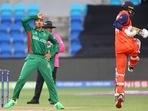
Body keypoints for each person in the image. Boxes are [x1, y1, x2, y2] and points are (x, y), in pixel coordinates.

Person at [4, 13, 64, 110]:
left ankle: (56, 102)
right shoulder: (30, 31)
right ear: (35, 22)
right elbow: (23, 20)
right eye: (37, 21)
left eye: (40, 21)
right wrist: (35, 16)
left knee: (50, 81)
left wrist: (51, 54)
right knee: (22, 78)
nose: (39, 22)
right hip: (32, 57)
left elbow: (56, 44)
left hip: (43, 59)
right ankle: (13, 100)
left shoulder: (47, 34)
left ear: (42, 23)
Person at [113, 1, 148, 109]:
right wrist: (127, 31)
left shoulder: (121, 15)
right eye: (131, 9)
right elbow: (117, 24)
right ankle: (132, 64)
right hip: (128, 45)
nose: (131, 12)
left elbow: (129, 28)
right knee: (137, 42)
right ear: (128, 8)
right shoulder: (125, 14)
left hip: (119, 49)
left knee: (120, 73)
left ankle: (120, 94)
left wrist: (140, 31)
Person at [27, 21, 65, 104]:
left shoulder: (56, 37)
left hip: (53, 63)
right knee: (39, 81)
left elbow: (62, 48)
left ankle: (53, 99)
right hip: (41, 62)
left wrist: (51, 50)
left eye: (48, 28)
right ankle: (35, 99)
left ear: (51, 29)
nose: (46, 29)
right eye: (45, 28)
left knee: (51, 82)